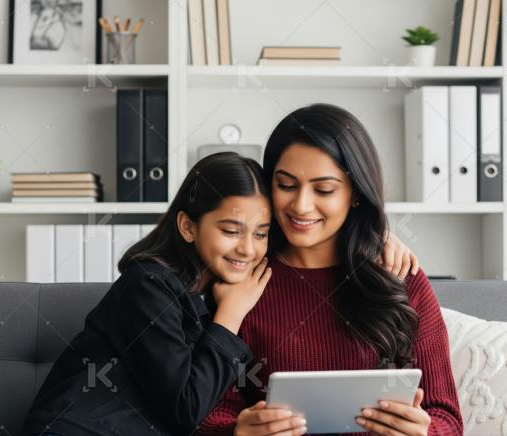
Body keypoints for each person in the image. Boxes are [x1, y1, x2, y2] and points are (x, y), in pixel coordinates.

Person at [198, 104, 464, 436]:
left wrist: (424, 432)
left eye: (324, 190)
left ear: (355, 194)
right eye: (286, 185)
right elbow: (204, 410)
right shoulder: (241, 278)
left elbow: (446, 417)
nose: (301, 206)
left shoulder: (399, 275)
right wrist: (238, 430)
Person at [23, 152, 273, 435]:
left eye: (261, 234)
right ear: (188, 227)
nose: (248, 249)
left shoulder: (213, 294)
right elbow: (186, 407)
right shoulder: (148, 285)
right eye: (231, 231)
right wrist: (232, 314)